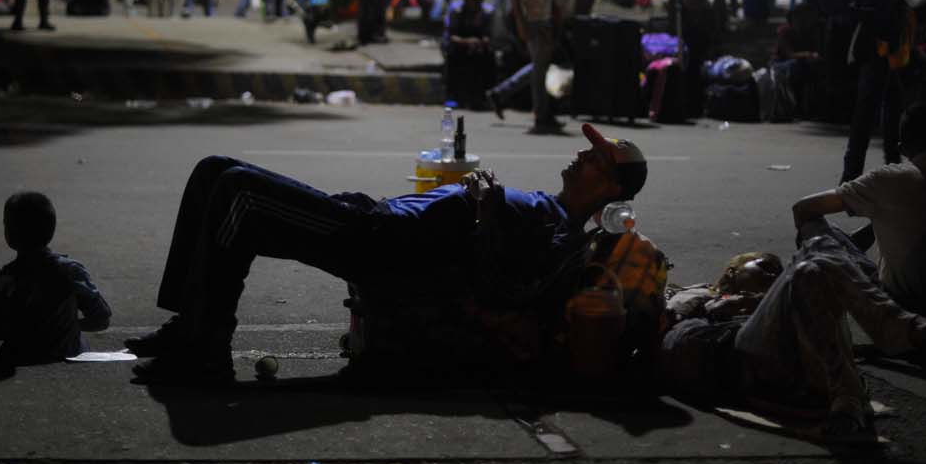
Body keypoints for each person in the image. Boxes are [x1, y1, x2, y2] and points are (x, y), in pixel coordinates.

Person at [126, 123, 649, 386]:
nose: (582, 154)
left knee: (239, 191)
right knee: (213, 169)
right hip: (379, 218)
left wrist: (486, 214)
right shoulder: (547, 206)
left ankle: (206, 349)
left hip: (387, 246)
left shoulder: (564, 239)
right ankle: (186, 323)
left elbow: (503, 293)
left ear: (611, 192)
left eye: (597, 159)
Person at [662, 217, 926, 438]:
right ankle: (895, 326)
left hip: (801, 365)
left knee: (814, 269)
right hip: (743, 353)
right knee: (814, 250)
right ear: (732, 272)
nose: (774, 274)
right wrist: (728, 305)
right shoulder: (705, 293)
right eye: (765, 267)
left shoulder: (796, 299)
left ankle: (848, 396)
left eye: (778, 272)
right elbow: (675, 324)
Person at [795, 103, 926, 324]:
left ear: (902, 148)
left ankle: (822, 319)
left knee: (814, 229)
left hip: (909, 308)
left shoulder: (888, 179)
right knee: (890, 216)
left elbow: (803, 208)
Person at [839, 0, 918, 183]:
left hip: (870, 32)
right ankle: (866, 172)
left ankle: (873, 168)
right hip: (884, 37)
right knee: (876, 104)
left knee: (883, 103)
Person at [0, 192, 112, 364]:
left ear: (8, 233)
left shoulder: (3, 279)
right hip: (66, 351)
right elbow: (101, 319)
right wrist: (68, 325)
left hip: (18, 354)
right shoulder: (71, 271)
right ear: (51, 229)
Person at [506, 0, 568, 134]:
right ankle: (541, 115)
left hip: (544, 17)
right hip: (531, 19)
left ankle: (543, 112)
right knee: (539, 70)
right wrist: (521, 23)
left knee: (541, 68)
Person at [442, 0, 496, 110]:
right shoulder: (456, 10)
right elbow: (451, 35)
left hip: (478, 47)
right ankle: (452, 96)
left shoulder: (487, 12)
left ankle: (483, 96)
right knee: (453, 57)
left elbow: (489, 34)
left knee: (488, 57)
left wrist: (482, 42)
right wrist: (467, 42)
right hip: (458, 45)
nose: (477, 3)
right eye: (474, 0)